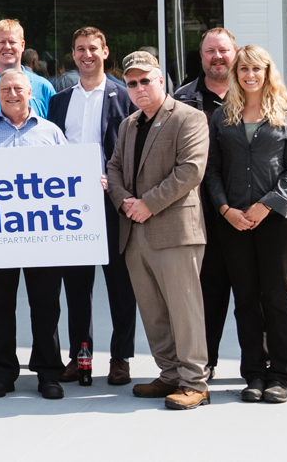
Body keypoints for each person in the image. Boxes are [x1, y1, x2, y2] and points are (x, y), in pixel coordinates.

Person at [107, 50, 211, 411]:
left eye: (145, 80)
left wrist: (147, 203)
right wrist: (123, 202)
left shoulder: (189, 118)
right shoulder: (128, 124)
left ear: (161, 80)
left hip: (174, 230)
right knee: (152, 311)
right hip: (135, 231)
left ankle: (195, 380)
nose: (138, 88)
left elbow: (190, 171)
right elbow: (115, 168)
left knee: (184, 309)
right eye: (131, 83)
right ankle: (169, 374)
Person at [204, 45, 287, 404]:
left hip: (277, 220)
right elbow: (212, 170)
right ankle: (254, 374)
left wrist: (267, 205)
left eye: (256, 69)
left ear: (267, 72)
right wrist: (224, 209)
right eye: (243, 69)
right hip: (233, 222)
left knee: (275, 296)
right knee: (245, 298)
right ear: (235, 74)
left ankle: (280, 375)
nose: (250, 75)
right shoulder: (222, 117)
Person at [0, 68, 69, 399]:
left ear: (32, 94)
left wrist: (90, 183)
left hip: (43, 239)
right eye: (5, 90)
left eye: (18, 88)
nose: (12, 94)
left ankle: (48, 372)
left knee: (45, 306)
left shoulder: (51, 133)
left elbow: (71, 178)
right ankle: (2, 371)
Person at [47, 27, 137, 387]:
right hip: (71, 207)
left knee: (120, 284)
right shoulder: (59, 101)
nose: (87, 55)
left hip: (111, 204)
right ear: (73, 53)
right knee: (77, 286)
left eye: (93, 49)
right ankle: (80, 354)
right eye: (80, 49)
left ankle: (121, 357)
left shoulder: (124, 96)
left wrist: (116, 185)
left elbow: (134, 153)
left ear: (105, 51)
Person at [174, 26, 236, 379]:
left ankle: (256, 363)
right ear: (201, 57)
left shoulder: (255, 95)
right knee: (206, 293)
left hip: (244, 211)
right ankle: (205, 361)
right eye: (210, 51)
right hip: (201, 213)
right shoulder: (183, 99)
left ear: (234, 53)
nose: (217, 57)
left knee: (251, 292)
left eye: (223, 51)